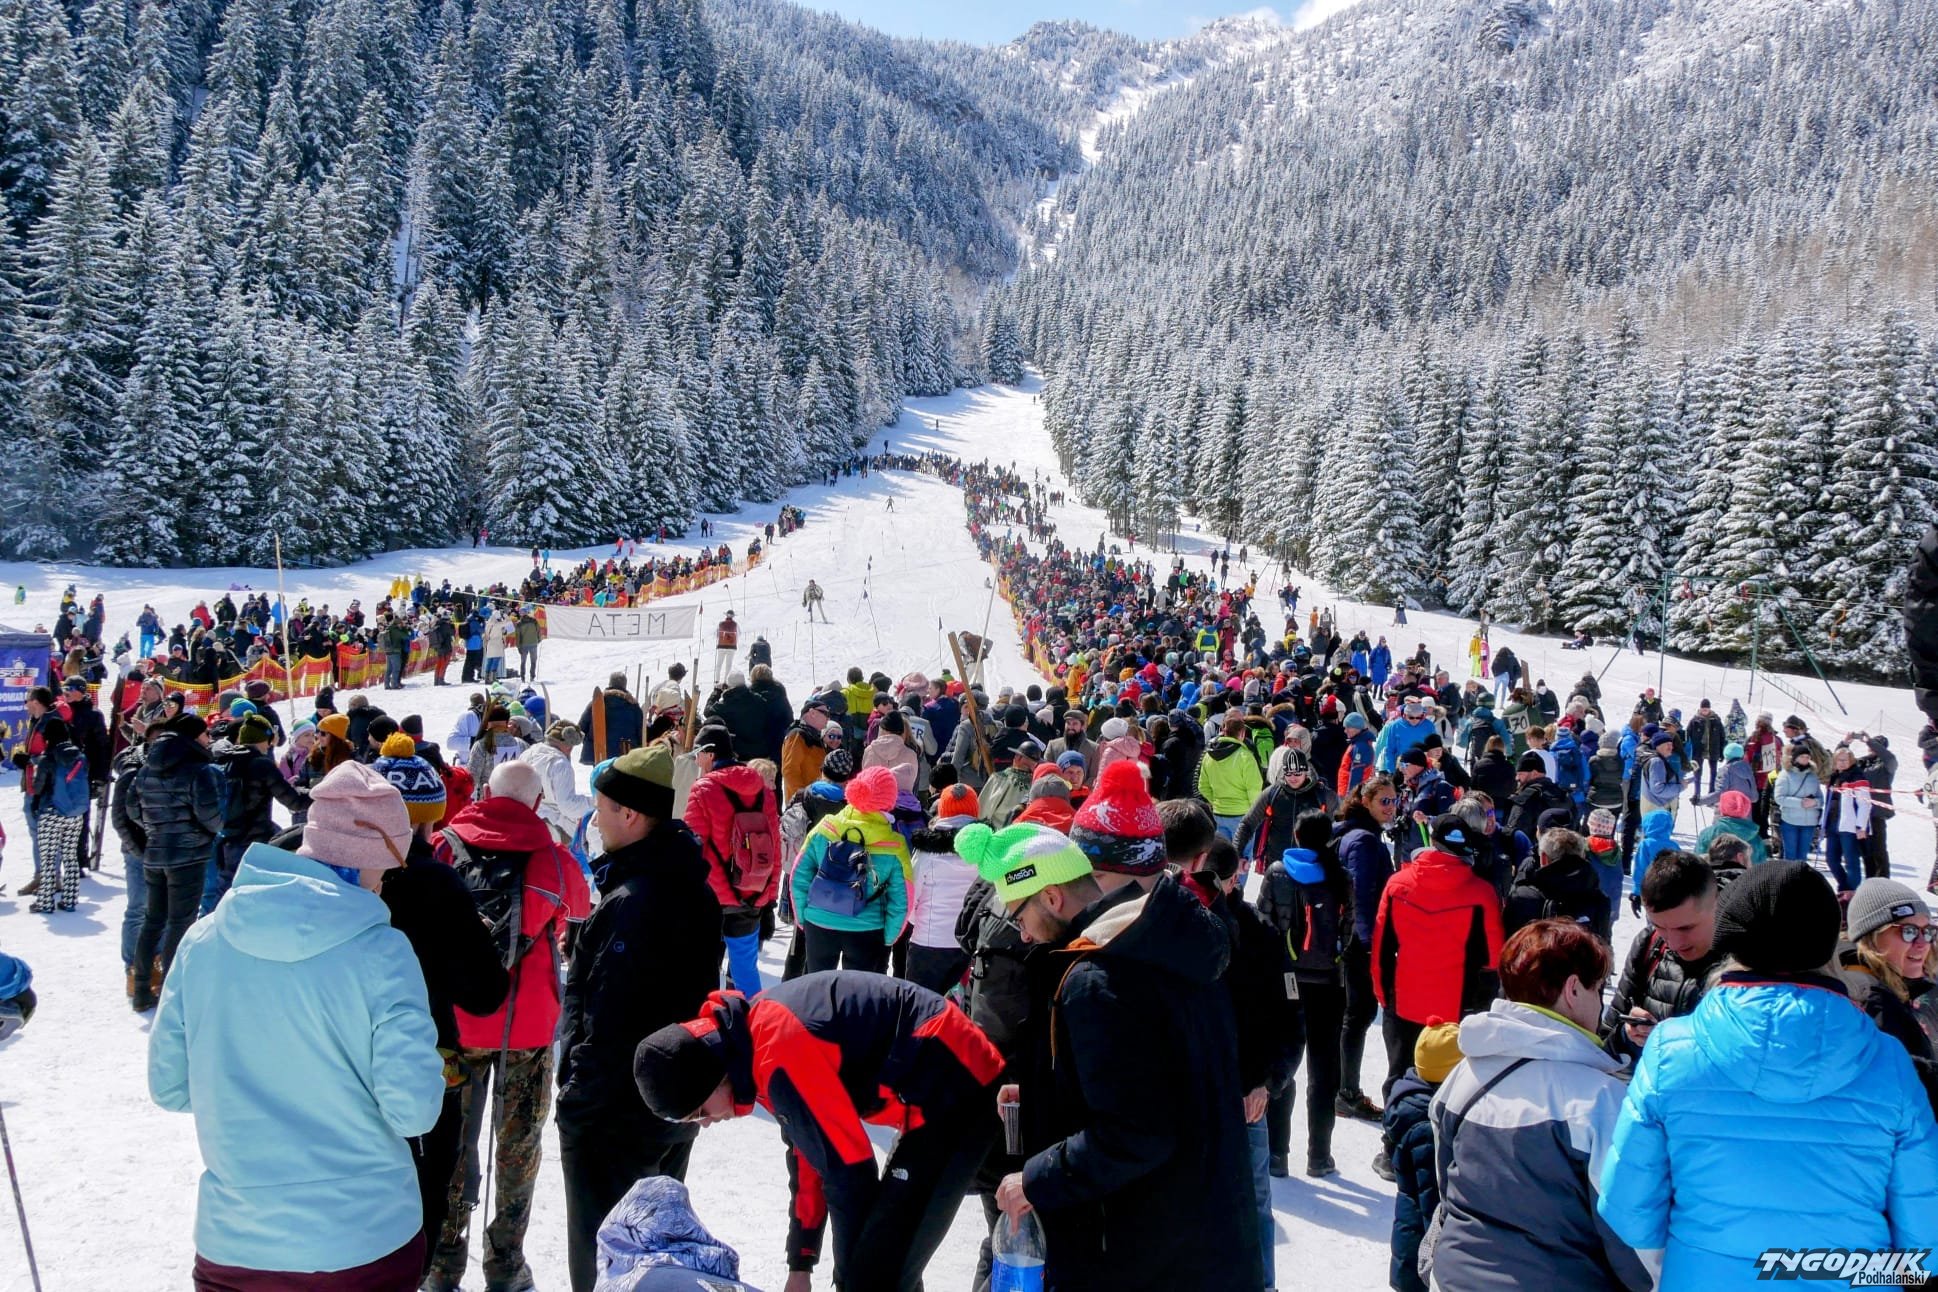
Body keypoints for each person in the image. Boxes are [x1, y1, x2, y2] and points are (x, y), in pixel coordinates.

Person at [147, 761, 447, 1288]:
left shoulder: (204, 939)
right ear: (369, 858)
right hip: (363, 1235)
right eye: (387, 868)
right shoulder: (382, 950)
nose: (384, 884)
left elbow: (170, 1086)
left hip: (236, 1239)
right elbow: (412, 1110)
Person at [1599, 861, 1938, 1287]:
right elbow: (1925, 1238)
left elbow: (1629, 1212)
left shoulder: (1670, 1050)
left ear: (1731, 940)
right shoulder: (1888, 1060)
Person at [967, 820, 1264, 1291]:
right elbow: (1158, 1081)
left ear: (1051, 897)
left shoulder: (1098, 978)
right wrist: (1040, 1090)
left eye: (1019, 915)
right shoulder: (1157, 943)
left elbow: (1136, 1131)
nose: (1022, 935)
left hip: (1148, 1249)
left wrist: (1035, 1180)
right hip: (1201, 1234)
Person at [633, 973, 1003, 1292]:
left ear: (711, 1078)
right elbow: (813, 1155)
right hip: (934, 1091)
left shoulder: (776, 1050)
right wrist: (801, 1262)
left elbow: (849, 1173)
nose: (706, 1122)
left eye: (699, 1111)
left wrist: (848, 1278)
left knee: (879, 1269)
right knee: (884, 1258)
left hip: (958, 1085)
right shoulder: (754, 1043)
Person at [558, 744, 725, 1292]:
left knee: (606, 1256)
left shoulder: (635, 897)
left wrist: (577, 1099)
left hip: (616, 1113)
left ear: (630, 814)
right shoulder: (688, 883)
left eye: (602, 809)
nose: (595, 820)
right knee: (651, 1258)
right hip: (668, 1099)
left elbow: (610, 1017)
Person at [426, 759, 592, 1292]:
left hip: (454, 1024)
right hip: (527, 1027)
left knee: (451, 1143)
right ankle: (505, 1265)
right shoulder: (554, 857)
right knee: (518, 1148)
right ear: (538, 802)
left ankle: (442, 1263)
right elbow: (577, 912)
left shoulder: (445, 847)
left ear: (483, 792)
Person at [1430, 920, 1649, 1290]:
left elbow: (1446, 1187)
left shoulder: (1465, 1075)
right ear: (1573, 989)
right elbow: (1631, 1234)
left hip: (1455, 1278)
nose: (1600, 1003)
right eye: (1597, 989)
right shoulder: (1598, 1100)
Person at [365, 750, 513, 1286]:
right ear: (430, 819)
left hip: (343, 1064)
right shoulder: (437, 884)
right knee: (420, 1201)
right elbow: (485, 993)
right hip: (424, 1064)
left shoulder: (339, 878)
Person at [1372, 812, 1505, 1131]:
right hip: (1457, 1011)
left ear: (1432, 841)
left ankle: (1394, 1145)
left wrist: (1384, 996)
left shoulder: (1399, 884)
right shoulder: (1482, 892)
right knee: (1456, 1087)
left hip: (1405, 1001)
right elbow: (1493, 959)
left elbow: (1381, 949)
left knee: (1400, 1077)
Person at [1258, 810, 1353, 1177]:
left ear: (1296, 835)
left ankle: (1277, 1154)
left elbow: (1264, 924)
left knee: (1283, 1064)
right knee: (1324, 1071)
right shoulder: (1340, 876)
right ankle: (1319, 1156)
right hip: (1328, 981)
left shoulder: (1278, 872)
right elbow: (1349, 930)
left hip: (1286, 981)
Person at [129, 714, 225, 1011]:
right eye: (205, 734)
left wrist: (155, 828)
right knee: (180, 923)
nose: (208, 740)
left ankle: (141, 987)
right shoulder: (198, 770)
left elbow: (133, 808)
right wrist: (206, 832)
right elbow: (211, 817)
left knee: (153, 921)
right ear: (194, 737)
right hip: (188, 855)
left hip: (155, 853)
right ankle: (172, 992)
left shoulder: (147, 768)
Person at [683, 726, 783, 995]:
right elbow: (774, 848)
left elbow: (693, 849)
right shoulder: (763, 791)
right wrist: (768, 897)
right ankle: (752, 1017)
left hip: (712, 897)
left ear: (710, 754)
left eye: (698, 753)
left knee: (702, 970)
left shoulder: (703, 789)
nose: (696, 761)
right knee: (745, 971)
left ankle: (707, 1019)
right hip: (752, 892)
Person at [1600, 850, 1723, 1063]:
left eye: (1685, 928)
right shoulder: (1649, 944)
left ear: (1717, 905)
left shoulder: (1747, 961)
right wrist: (1627, 1037)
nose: (1673, 943)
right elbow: (1603, 1050)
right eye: (1660, 927)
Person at [788, 765, 908, 973]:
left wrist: (803, 918)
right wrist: (888, 937)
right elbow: (902, 897)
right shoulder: (895, 845)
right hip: (867, 928)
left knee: (819, 986)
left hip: (819, 922)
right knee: (857, 991)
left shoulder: (825, 827)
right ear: (890, 799)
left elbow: (799, 876)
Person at [1839, 877, 1938, 1116]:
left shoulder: (1911, 985)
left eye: (1928, 932)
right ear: (1872, 938)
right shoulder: (1871, 1006)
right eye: (1908, 931)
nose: (1922, 943)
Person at [1336, 776, 1396, 1122]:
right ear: (1366, 801)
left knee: (1352, 1015)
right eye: (1384, 801)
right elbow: (1360, 894)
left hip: (1349, 940)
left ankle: (1342, 1089)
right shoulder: (1364, 839)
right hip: (1359, 943)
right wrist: (1369, 945)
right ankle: (1347, 1092)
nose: (1391, 807)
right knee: (1357, 1015)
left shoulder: (1354, 832)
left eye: (1393, 801)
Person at [1385, 1018, 1461, 1292]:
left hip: (1408, 1244)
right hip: (1420, 1258)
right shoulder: (1427, 1128)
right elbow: (1432, 1200)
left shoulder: (1408, 1094)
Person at [208, 712, 310, 913]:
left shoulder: (224, 761)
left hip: (225, 839)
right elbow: (294, 801)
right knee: (255, 894)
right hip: (254, 841)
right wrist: (317, 792)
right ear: (266, 738)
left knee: (224, 893)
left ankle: (211, 927)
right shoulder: (261, 764)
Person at [904, 782, 981, 994]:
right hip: (969, 942)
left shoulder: (926, 851)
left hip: (929, 940)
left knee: (920, 1006)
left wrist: (916, 922)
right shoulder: (984, 850)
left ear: (942, 810)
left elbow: (911, 895)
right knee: (959, 1009)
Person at [1505, 826, 1613, 945]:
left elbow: (1509, 945)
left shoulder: (1522, 897)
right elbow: (1603, 945)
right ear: (1582, 856)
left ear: (1544, 859)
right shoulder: (1599, 900)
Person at [27, 716, 89, 913]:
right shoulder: (79, 756)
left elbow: (38, 787)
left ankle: (45, 902)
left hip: (51, 811)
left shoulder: (48, 758)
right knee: (70, 857)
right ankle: (69, 901)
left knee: (48, 859)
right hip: (75, 813)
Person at [1200, 710, 1265, 838]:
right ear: (1242, 733)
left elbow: (1202, 786)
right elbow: (1254, 788)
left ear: (1224, 731)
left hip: (1219, 813)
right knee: (1243, 850)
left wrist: (1216, 802)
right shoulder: (1245, 756)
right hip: (1243, 814)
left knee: (1223, 849)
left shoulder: (1208, 756)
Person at [1821, 745, 1871, 894]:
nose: (1841, 763)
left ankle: (1850, 891)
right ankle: (1845, 887)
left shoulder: (1857, 776)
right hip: (1832, 823)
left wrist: (1861, 826)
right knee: (1831, 859)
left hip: (1849, 825)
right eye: (1839, 760)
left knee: (1851, 861)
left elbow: (1865, 804)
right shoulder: (1834, 777)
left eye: (1845, 760)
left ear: (1851, 761)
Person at [578, 672, 646, 764]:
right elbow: (641, 734)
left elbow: (581, 728)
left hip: (600, 755)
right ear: (625, 685)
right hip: (625, 754)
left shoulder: (596, 703)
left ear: (610, 684)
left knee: (601, 773)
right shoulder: (634, 706)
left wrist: (590, 742)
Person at [1692, 788, 1767, 867]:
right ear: (1746, 811)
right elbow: (1761, 867)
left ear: (1722, 808)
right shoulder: (1755, 838)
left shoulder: (1707, 834)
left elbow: (1697, 862)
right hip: (1747, 874)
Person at [1774, 745, 1823, 862]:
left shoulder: (1813, 775)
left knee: (1802, 857)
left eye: (1807, 757)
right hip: (1790, 820)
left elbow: (1821, 799)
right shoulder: (1785, 774)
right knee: (1790, 856)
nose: (1805, 759)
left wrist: (1814, 802)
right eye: (1802, 756)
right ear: (1795, 757)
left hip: (1809, 822)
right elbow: (1779, 798)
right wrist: (1800, 803)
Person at [781, 697, 833, 800]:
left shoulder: (813, 735)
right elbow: (790, 770)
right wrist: (801, 796)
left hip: (815, 798)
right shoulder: (797, 734)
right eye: (825, 713)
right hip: (803, 801)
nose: (828, 718)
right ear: (812, 713)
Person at [712, 610, 739, 686]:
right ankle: (726, 681)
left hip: (721, 646)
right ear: (733, 616)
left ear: (726, 615)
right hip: (731, 647)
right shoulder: (735, 625)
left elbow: (716, 634)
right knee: (728, 665)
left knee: (719, 664)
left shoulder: (720, 624)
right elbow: (739, 634)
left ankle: (717, 680)